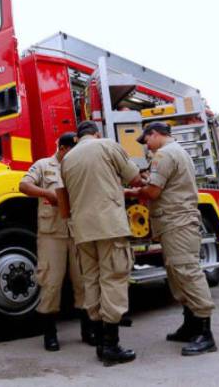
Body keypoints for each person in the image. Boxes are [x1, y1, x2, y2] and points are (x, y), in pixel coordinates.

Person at [59, 120, 143, 366]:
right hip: (109, 226)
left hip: (83, 230)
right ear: (96, 133)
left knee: (92, 281)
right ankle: (111, 345)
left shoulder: (68, 159)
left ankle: (98, 341)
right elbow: (134, 178)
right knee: (114, 278)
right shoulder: (107, 145)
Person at [133, 121, 217, 356]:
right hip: (175, 222)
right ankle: (190, 325)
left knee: (187, 272)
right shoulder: (177, 152)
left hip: (177, 222)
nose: (146, 147)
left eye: (146, 140)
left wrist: (129, 191)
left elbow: (152, 192)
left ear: (156, 134)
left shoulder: (165, 154)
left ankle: (205, 333)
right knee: (177, 272)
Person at [19, 132, 93, 352]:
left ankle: (87, 329)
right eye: (72, 150)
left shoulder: (79, 166)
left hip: (78, 232)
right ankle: (49, 333)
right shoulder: (43, 165)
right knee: (50, 282)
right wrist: (49, 194)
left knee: (83, 281)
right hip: (51, 234)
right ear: (62, 148)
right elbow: (24, 186)